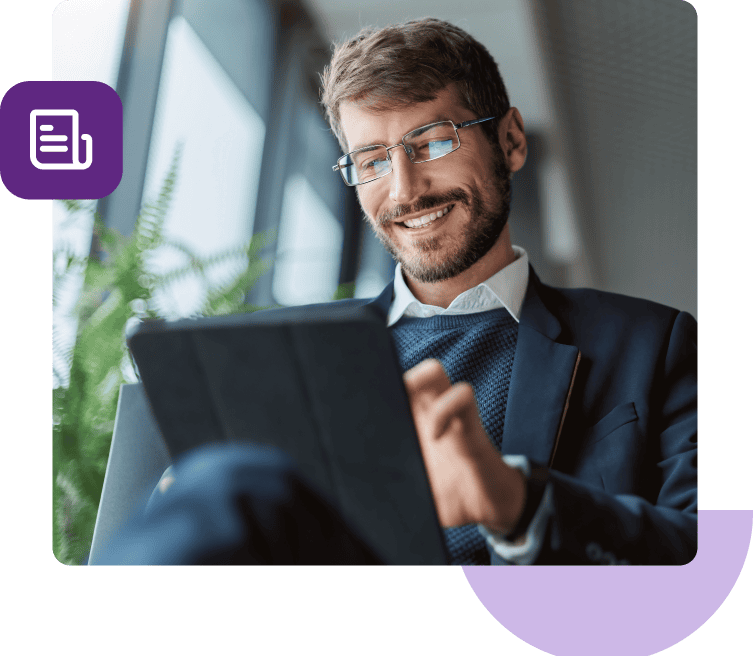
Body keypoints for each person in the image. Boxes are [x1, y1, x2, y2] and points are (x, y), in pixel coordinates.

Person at [100, 17, 697, 566]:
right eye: (372, 161)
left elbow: (709, 561)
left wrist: (519, 503)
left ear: (510, 141)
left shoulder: (654, 345)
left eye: (433, 142)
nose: (405, 189)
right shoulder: (289, 359)